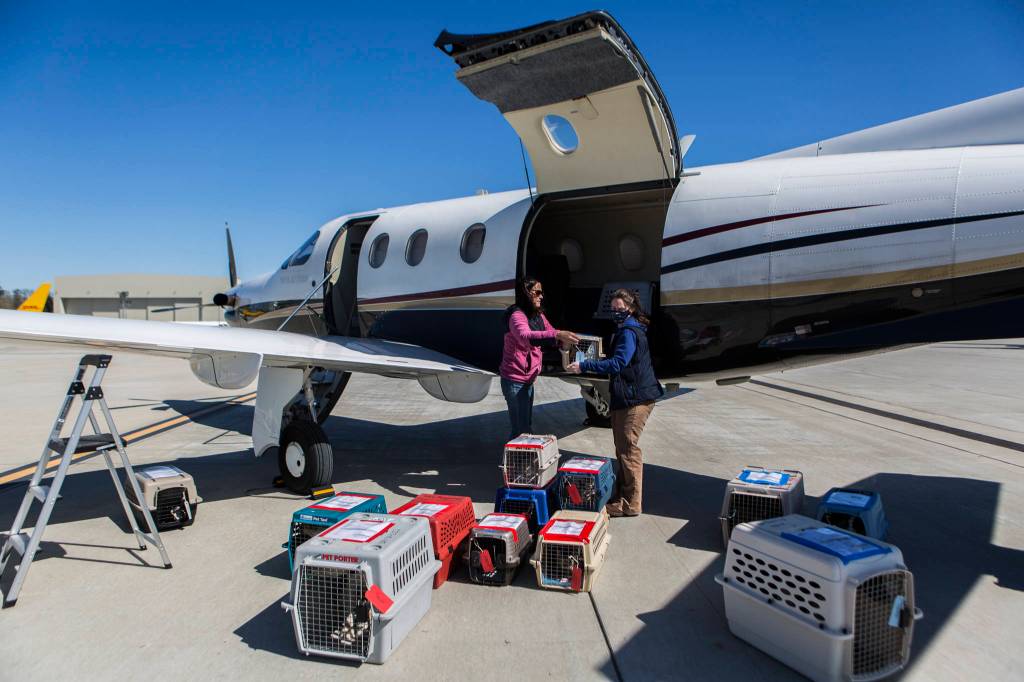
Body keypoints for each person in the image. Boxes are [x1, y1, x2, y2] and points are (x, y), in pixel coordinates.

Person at [568, 288, 663, 517]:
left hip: (636, 398)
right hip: (626, 397)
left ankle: (631, 504)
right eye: (613, 309)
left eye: (620, 309)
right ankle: (621, 496)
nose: (616, 313)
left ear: (630, 308)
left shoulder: (629, 331)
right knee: (621, 448)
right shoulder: (625, 329)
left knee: (628, 449)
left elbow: (619, 363)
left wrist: (585, 365)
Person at [500, 278, 579, 441]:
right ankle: (515, 464)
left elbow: (551, 331)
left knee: (524, 427)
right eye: (537, 292)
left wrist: (563, 339)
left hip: (527, 379)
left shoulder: (538, 315)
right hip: (515, 381)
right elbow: (525, 337)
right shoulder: (516, 315)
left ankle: (520, 462)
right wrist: (557, 335)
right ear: (526, 294)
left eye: (542, 292)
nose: (541, 296)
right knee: (521, 431)